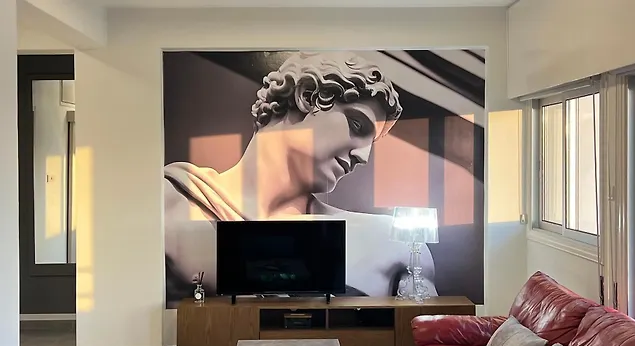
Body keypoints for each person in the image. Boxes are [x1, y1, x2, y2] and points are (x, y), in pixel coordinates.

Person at [164, 51, 436, 303]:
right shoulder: (169, 203)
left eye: (371, 143)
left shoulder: (390, 243)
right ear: (307, 97)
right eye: (356, 124)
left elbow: (426, 326)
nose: (363, 156)